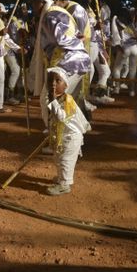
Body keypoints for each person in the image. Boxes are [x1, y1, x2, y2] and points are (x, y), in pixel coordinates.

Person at [29, 0, 90, 127]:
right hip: (74, 62)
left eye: (34, 1)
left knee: (51, 100)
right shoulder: (55, 12)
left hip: (68, 63)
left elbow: (64, 40)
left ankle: (58, 139)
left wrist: (74, 41)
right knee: (62, 101)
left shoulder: (51, 15)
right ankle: (67, 139)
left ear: (42, 1)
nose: (31, 5)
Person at [45, 66, 91, 196]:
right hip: (62, 136)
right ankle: (61, 179)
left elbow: (62, 117)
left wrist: (53, 101)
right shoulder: (56, 99)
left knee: (66, 160)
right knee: (58, 158)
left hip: (71, 137)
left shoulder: (68, 100)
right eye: (51, 81)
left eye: (57, 81)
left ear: (65, 85)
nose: (53, 84)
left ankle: (64, 184)